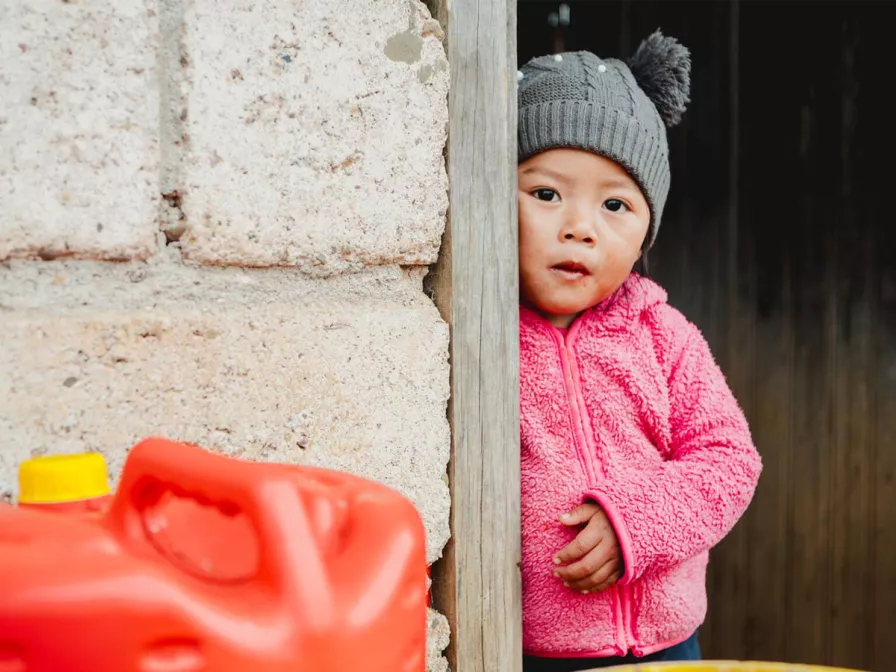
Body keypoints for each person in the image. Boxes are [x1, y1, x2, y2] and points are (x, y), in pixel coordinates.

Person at [517, 31, 763, 672]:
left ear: (645, 232)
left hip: (665, 647)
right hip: (531, 650)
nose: (579, 227)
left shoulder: (662, 335)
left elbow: (730, 460)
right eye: (546, 194)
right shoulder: (484, 342)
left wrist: (637, 523)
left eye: (615, 204)